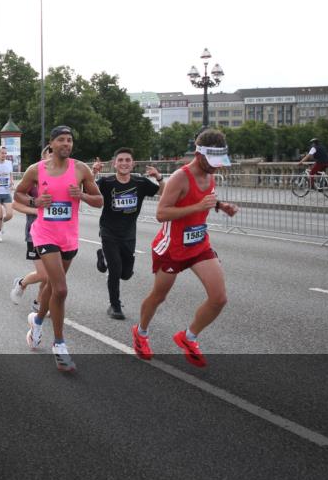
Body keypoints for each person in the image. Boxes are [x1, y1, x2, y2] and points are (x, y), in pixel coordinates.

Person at [132, 129, 239, 368]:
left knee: (219, 298)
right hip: (172, 247)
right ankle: (141, 332)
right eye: (213, 162)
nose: (217, 167)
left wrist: (222, 206)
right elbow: (161, 213)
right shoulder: (181, 177)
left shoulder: (210, 175)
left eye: (219, 162)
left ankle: (188, 337)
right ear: (199, 154)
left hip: (199, 245)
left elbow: (206, 199)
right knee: (159, 296)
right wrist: (198, 206)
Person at [14, 126, 102, 372]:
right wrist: (35, 201)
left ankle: (37, 322)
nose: (66, 144)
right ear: (51, 144)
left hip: (68, 237)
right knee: (61, 289)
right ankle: (60, 345)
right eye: (61, 140)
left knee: (52, 286)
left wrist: (82, 196)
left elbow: (100, 201)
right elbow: (18, 194)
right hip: (44, 234)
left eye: (70, 140)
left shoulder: (81, 169)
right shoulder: (36, 169)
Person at [91, 148, 164, 320]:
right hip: (109, 231)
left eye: (127, 160)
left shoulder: (141, 182)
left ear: (133, 164)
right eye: (120, 160)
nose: (124, 163)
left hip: (129, 234)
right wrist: (93, 173)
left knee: (126, 273)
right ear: (114, 163)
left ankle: (102, 256)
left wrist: (159, 177)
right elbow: (89, 191)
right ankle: (115, 306)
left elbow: (162, 191)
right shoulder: (106, 182)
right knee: (115, 270)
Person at [10, 146, 52, 309]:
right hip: (34, 232)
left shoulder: (63, 177)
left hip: (55, 233)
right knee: (44, 274)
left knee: (51, 276)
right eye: (50, 154)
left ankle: (39, 302)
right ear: (43, 157)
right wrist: (36, 209)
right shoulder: (34, 177)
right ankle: (21, 283)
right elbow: (15, 204)